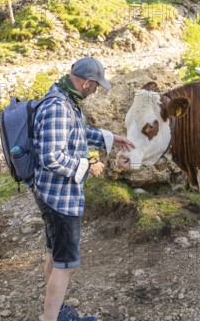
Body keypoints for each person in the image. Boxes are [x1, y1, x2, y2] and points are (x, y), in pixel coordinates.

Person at [28, 57, 134, 321]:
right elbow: (51, 156)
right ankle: (51, 317)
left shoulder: (63, 99)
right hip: (60, 199)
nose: (96, 91)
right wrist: (86, 166)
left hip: (51, 194)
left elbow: (77, 132)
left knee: (54, 253)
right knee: (67, 265)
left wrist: (111, 138)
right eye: (96, 86)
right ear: (86, 83)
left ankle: (56, 311)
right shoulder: (58, 108)